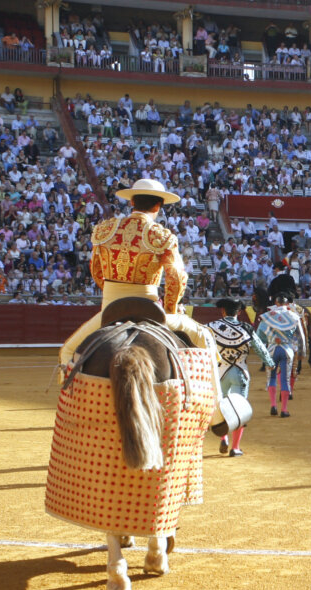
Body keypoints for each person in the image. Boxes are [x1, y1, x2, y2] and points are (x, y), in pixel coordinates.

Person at [57, 178, 226, 429]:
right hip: (150, 308)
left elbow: (95, 271)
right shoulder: (161, 236)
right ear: (158, 207)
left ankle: (70, 411)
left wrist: (111, 296)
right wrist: (169, 309)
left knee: (68, 351)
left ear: (132, 202)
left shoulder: (105, 230)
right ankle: (217, 416)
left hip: (110, 309)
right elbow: (177, 278)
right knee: (205, 337)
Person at [208, 298, 274, 457]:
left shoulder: (211, 327)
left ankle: (223, 438)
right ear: (239, 312)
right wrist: (270, 363)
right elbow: (260, 349)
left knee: (220, 407)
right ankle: (235, 447)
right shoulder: (246, 328)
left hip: (220, 373)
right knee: (239, 411)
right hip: (239, 372)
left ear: (223, 311)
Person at [256, 292, 308, 418]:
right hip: (287, 349)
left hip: (272, 349)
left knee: (271, 378)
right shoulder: (294, 316)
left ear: (276, 303)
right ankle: (284, 410)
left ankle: (273, 406)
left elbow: (258, 337)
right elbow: (301, 336)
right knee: (285, 380)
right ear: (286, 304)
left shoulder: (268, 316)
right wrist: (301, 353)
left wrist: (265, 347)